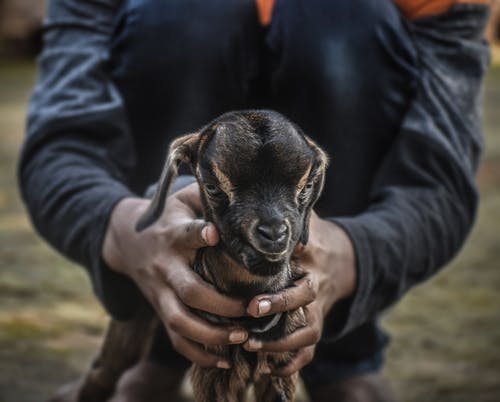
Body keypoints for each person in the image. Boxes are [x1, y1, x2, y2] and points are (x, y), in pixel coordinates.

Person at [19, 0, 491, 401]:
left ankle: (342, 353)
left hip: (331, 261)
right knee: (191, 16)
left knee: (339, 20)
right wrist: (121, 229)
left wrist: (353, 257)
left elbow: (439, 178)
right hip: (165, 251)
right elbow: (62, 141)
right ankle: (159, 343)